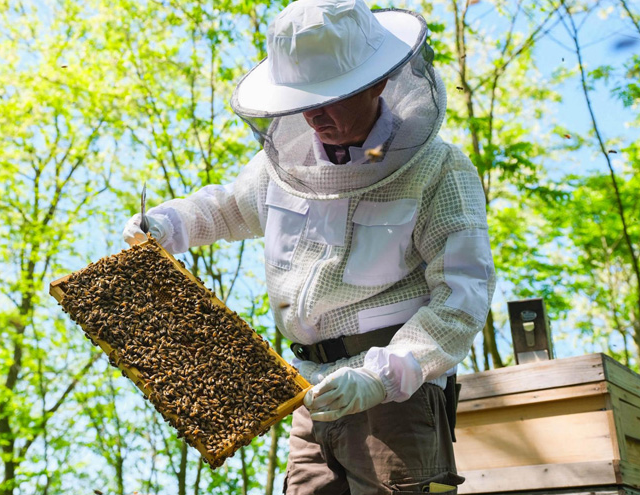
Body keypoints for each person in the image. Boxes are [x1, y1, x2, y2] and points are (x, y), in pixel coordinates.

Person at [123, 0, 495, 493]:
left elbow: (460, 300)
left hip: (397, 400)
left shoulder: (439, 170)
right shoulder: (285, 165)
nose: (313, 115)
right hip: (308, 392)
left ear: (377, 82)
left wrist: (378, 378)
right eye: (302, 98)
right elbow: (227, 209)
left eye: (330, 96)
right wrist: (168, 225)